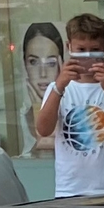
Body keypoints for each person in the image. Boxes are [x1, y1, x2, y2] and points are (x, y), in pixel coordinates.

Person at [34, 11, 104, 196]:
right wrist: (59, 86)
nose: (88, 56)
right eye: (81, 50)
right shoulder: (57, 88)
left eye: (95, 50)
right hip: (70, 190)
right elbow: (43, 130)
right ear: (69, 47)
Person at [18, 21, 64, 155]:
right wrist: (37, 107)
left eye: (51, 63)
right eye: (34, 62)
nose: (42, 73)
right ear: (25, 64)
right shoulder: (25, 112)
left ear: (61, 65)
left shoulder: (72, 105)